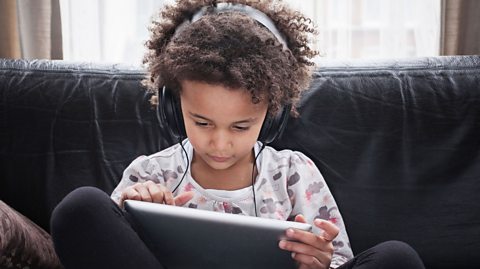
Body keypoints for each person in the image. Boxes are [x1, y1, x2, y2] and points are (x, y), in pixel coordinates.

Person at [50, 0, 425, 269]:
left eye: (241, 126)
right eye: (202, 122)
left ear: (273, 115)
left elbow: (339, 258)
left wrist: (320, 261)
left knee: (397, 257)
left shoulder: (295, 173)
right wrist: (130, 212)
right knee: (81, 207)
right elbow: (105, 245)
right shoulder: (150, 174)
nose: (220, 143)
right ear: (172, 105)